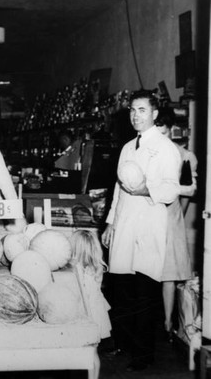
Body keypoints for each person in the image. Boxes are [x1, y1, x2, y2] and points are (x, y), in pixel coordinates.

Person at [101, 90, 181, 371]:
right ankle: (123, 343)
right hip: (124, 224)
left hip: (148, 225)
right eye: (133, 110)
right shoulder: (126, 148)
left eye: (142, 110)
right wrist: (111, 221)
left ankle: (143, 355)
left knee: (144, 293)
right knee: (122, 289)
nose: (136, 115)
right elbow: (118, 189)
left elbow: (172, 189)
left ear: (155, 113)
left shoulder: (166, 148)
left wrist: (147, 188)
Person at [155, 107, 197, 340]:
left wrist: (175, 217)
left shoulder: (184, 156)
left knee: (169, 274)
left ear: (171, 130)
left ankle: (168, 322)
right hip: (149, 219)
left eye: (163, 133)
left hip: (171, 219)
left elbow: (188, 193)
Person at [70, 229, 111, 379]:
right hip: (98, 314)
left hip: (87, 315)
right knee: (93, 354)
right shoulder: (96, 268)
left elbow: (82, 295)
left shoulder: (78, 269)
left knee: (84, 354)